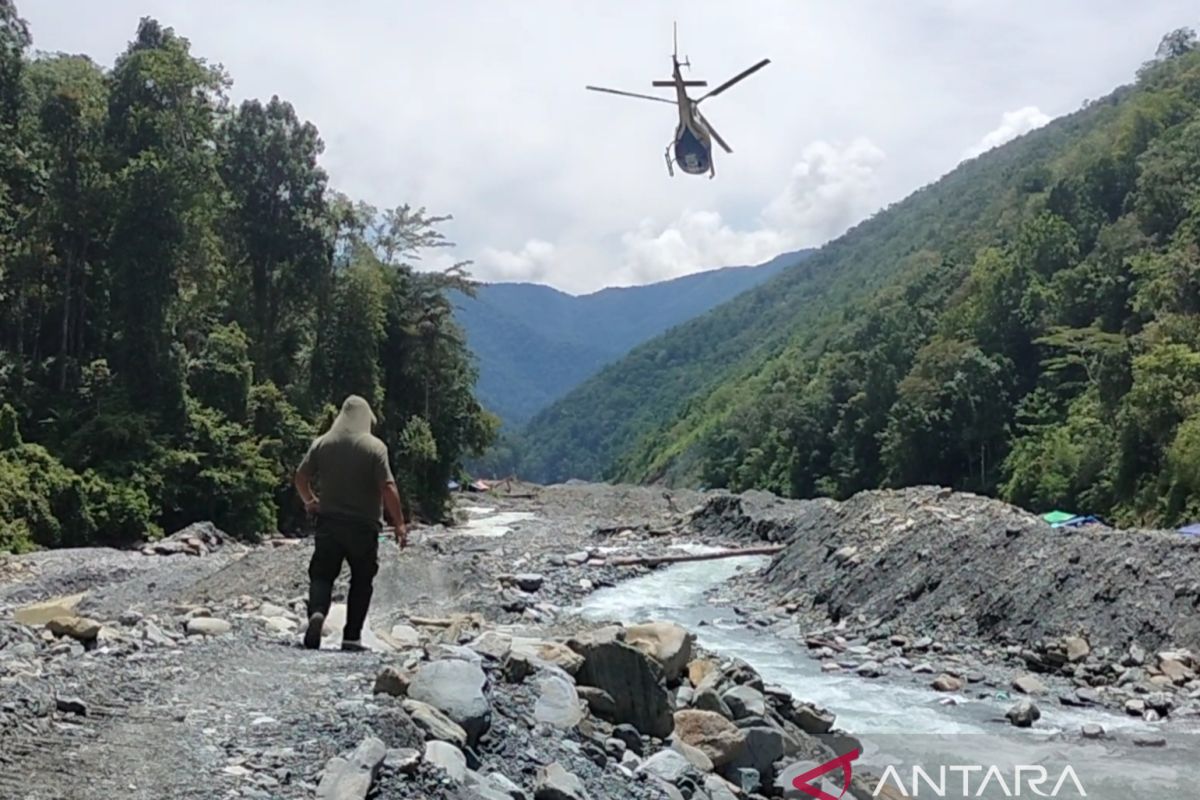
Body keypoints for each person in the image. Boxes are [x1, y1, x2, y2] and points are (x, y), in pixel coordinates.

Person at [294, 395, 407, 651]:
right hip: (364, 527)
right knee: (361, 580)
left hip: (329, 523)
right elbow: (387, 487)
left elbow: (300, 476)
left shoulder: (322, 443)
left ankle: (317, 614)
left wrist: (310, 501)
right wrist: (399, 523)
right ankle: (352, 637)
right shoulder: (374, 447)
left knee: (322, 575)